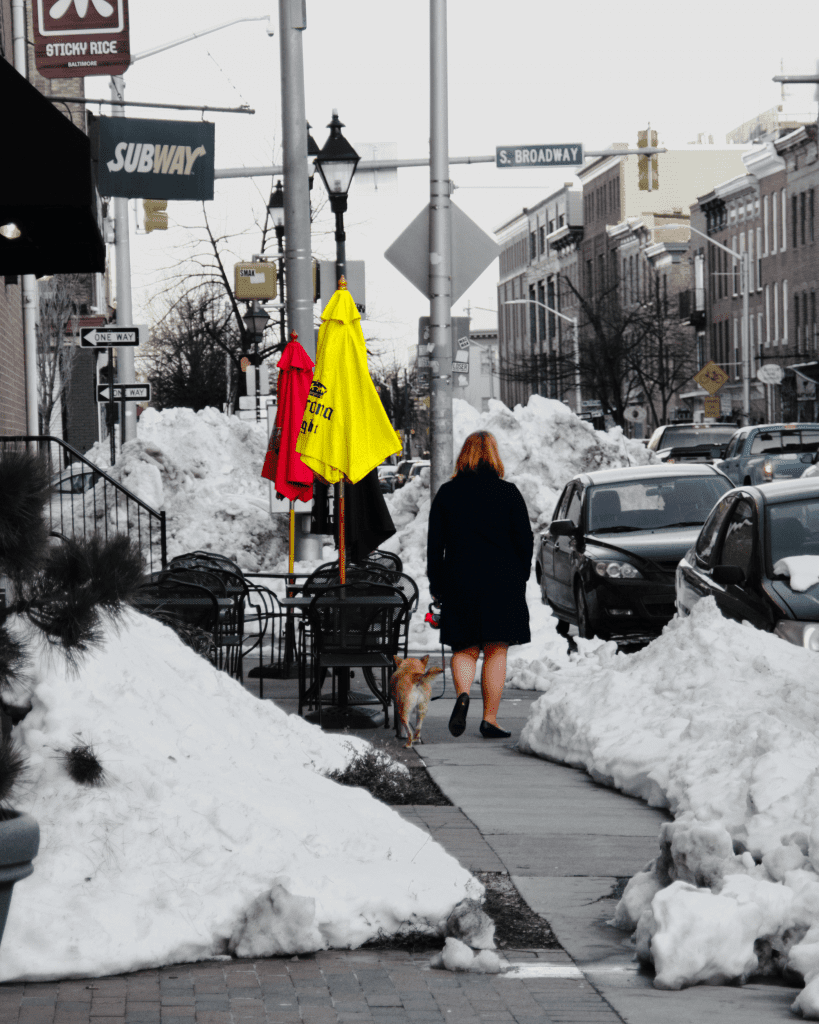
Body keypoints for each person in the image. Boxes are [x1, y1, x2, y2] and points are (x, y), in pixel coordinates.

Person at [426, 431, 533, 739]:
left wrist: (437, 583)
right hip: (503, 581)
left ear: (464, 455)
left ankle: (462, 695)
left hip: (460, 578)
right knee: (496, 650)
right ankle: (490, 719)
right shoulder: (509, 493)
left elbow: (436, 545)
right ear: (495, 456)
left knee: (465, 648)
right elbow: (525, 540)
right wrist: (520, 575)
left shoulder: (447, 493)